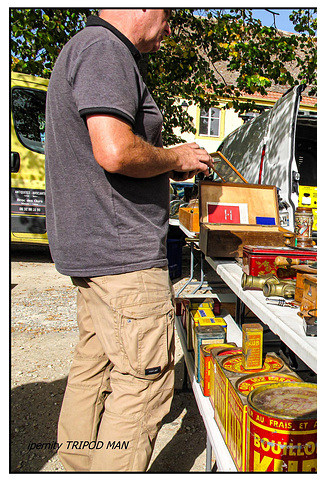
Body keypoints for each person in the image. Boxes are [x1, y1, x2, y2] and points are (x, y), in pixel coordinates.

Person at [45, 9, 214, 471]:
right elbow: (115, 150)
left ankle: (78, 467)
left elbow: (110, 148)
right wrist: (173, 154)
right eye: (170, 14)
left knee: (94, 367)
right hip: (123, 256)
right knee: (145, 383)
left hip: (95, 250)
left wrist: (167, 164)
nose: (170, 27)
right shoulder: (106, 49)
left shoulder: (84, 47)